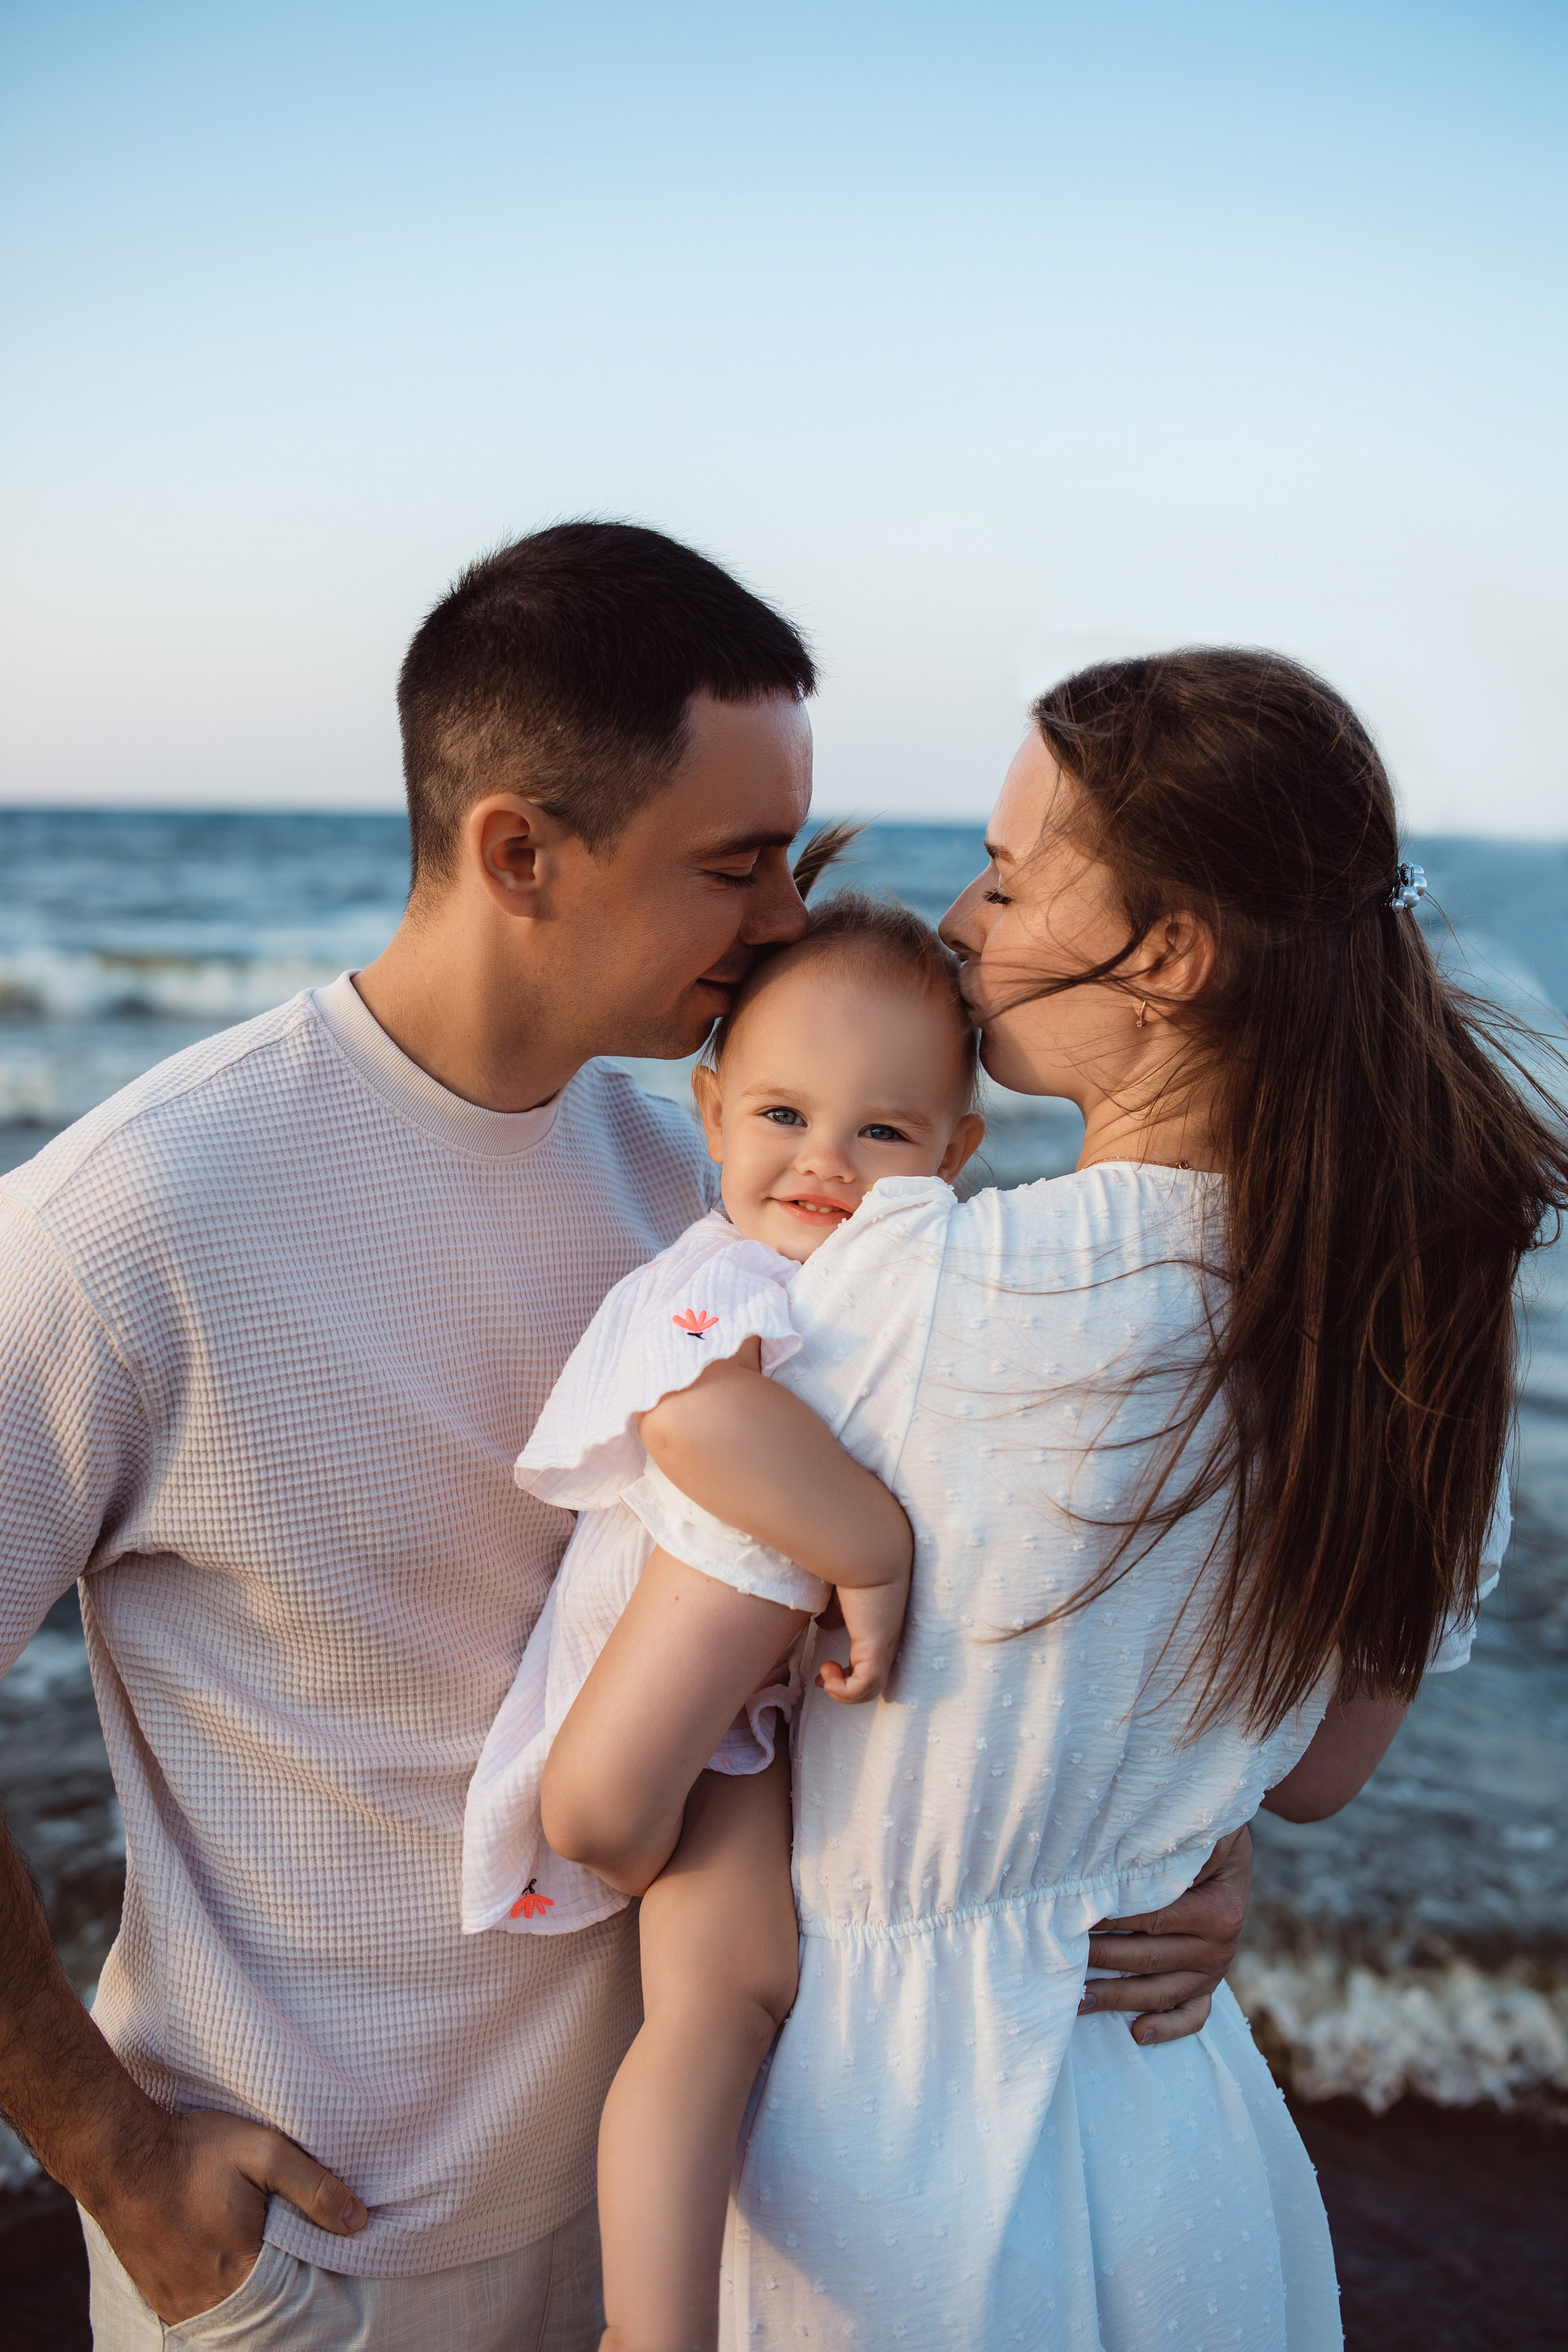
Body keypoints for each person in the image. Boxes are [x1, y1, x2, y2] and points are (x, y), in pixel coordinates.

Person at [0, 524, 1240, 2352]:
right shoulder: (131, 1227)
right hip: (317, 2250)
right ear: (520, 851)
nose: (792, 923)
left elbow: (984, 1574)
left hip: (702, 2207)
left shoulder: (736, 1190)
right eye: (737, 866)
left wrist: (1184, 1850)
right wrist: (117, 2164)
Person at [694, 650, 1561, 2348]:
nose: (957, 917)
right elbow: (1311, 1773)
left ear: (1171, 955)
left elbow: (626, 1760)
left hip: (890, 2165)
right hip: (1173, 2126)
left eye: (1012, 880)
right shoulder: (1419, 1311)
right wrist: (1175, 1824)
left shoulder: (909, 1284)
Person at [462, 884, 986, 2352]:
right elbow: (701, 1427)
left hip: (734, 1740)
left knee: (724, 2005)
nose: (821, 1159)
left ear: (955, 1156)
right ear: (706, 1114)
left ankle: (655, 2330)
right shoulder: (723, 1278)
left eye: (879, 1133)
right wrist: (871, 1554)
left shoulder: (872, 1299)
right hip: (634, 1717)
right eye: (780, 1114)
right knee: (623, 1852)